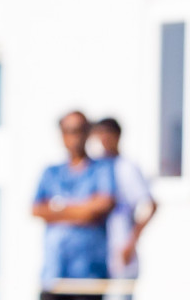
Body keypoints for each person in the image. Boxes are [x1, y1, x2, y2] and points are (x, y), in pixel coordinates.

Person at [33, 111, 115, 300]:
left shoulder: (102, 169)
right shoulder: (50, 172)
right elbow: (37, 209)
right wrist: (83, 209)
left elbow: (102, 206)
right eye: (69, 131)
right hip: (54, 276)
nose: (74, 137)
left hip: (89, 278)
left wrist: (58, 210)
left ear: (88, 133)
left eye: (79, 130)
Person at [91, 117, 155, 296]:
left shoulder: (126, 167)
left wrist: (131, 242)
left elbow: (151, 205)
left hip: (120, 249)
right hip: (97, 251)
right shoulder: (96, 167)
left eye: (106, 136)